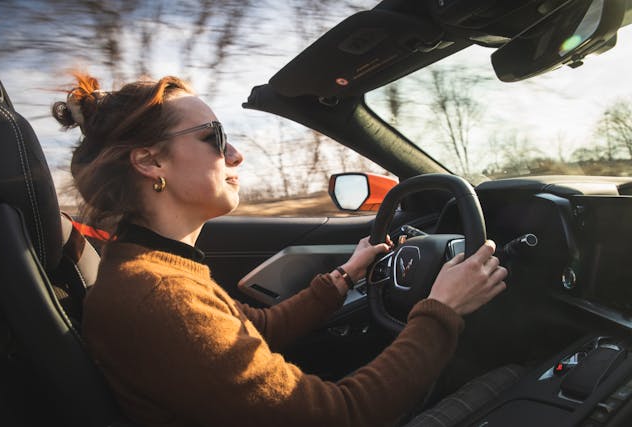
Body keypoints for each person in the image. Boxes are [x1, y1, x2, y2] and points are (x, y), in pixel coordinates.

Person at [52, 73, 507, 427]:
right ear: (151, 161)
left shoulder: (154, 268)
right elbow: (341, 415)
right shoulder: (157, 294)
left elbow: (257, 329)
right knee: (512, 379)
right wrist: (441, 310)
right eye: (214, 136)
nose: (235, 155)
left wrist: (346, 275)